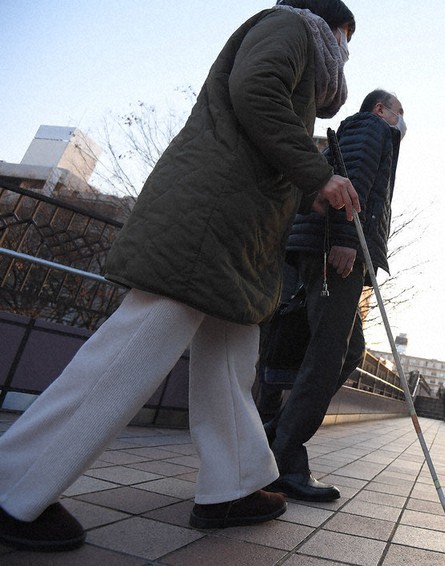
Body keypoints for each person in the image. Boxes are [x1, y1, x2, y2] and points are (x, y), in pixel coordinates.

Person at [0, 0, 359, 552]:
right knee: (135, 347)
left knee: (230, 357)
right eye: (346, 35)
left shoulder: (299, 44)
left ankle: (234, 484)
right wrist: (317, 175)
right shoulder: (291, 26)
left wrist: (307, 188)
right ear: (326, 24)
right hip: (206, 221)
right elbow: (256, 91)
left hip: (232, 231)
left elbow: (261, 122)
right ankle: (12, 483)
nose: (346, 50)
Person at [262, 89, 405, 502]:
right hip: (336, 249)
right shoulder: (372, 127)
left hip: (332, 248)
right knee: (328, 353)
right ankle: (285, 456)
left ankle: (277, 434)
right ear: (380, 109)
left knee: (349, 351)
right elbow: (352, 180)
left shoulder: (369, 132)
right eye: (399, 111)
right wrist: (347, 240)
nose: (401, 120)